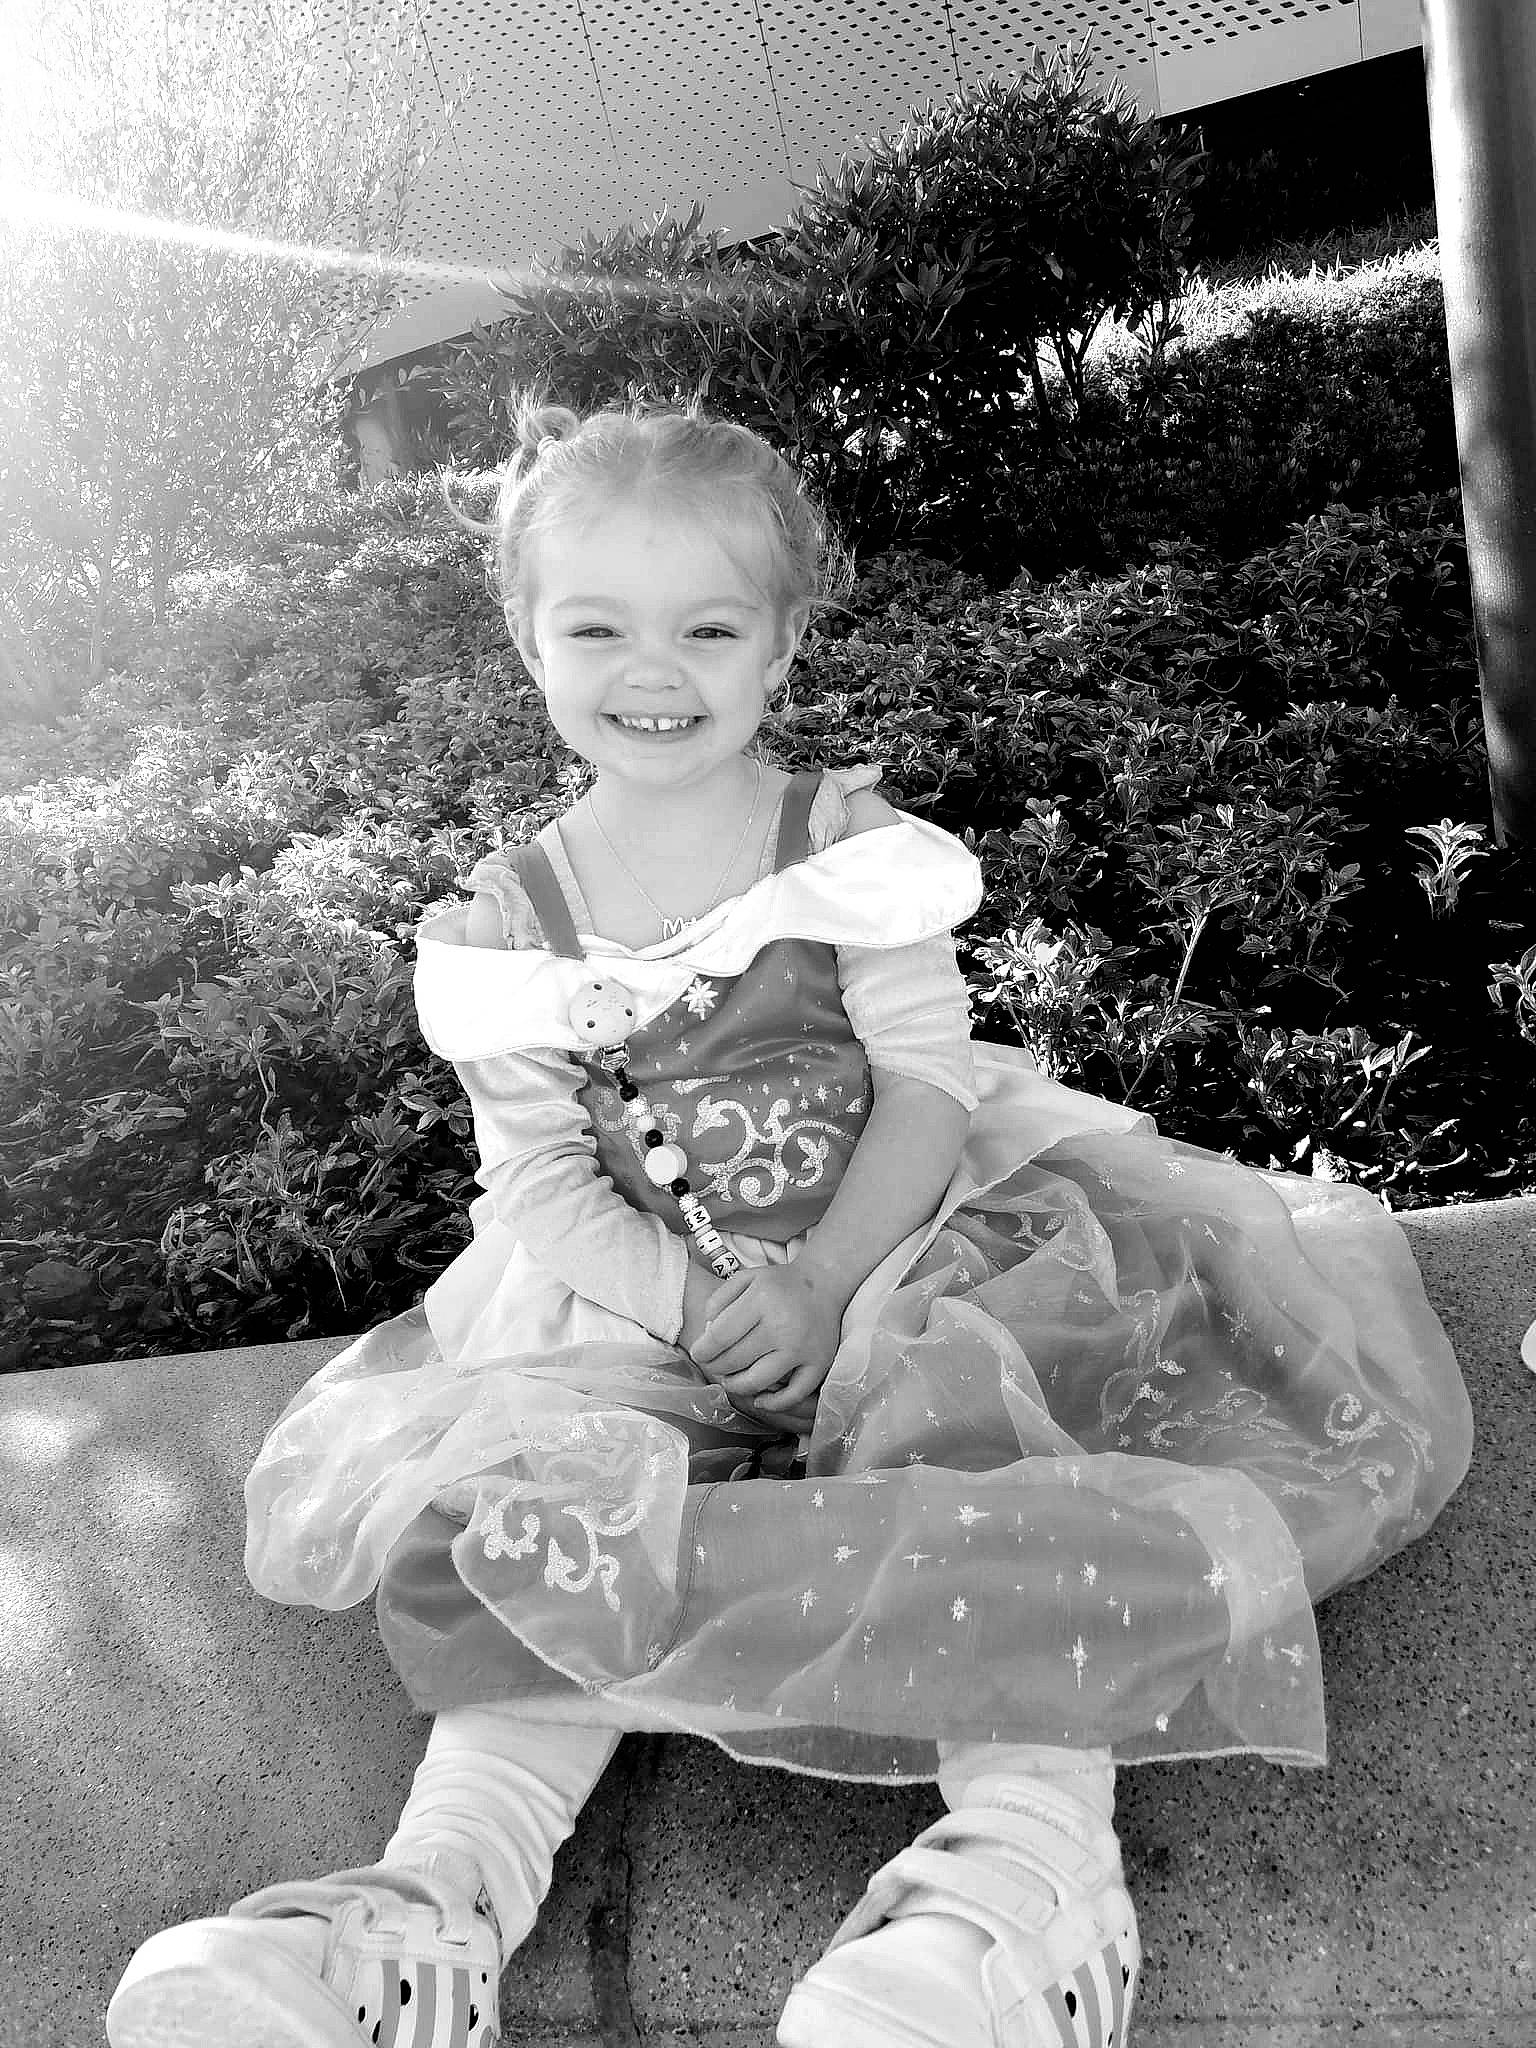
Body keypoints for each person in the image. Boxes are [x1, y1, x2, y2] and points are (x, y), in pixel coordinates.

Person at [107, 400, 1474, 2048]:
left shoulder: (843, 850)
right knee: (541, 1508)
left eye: (708, 627)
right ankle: (429, 1908)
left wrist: (829, 1284)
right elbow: (537, 1180)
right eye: (596, 627)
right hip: (638, 1298)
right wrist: (694, 1311)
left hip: (907, 1247)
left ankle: (1023, 1887)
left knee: (990, 1454)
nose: (652, 670)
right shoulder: (504, 925)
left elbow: (927, 1077)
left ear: (782, 639)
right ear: (528, 639)